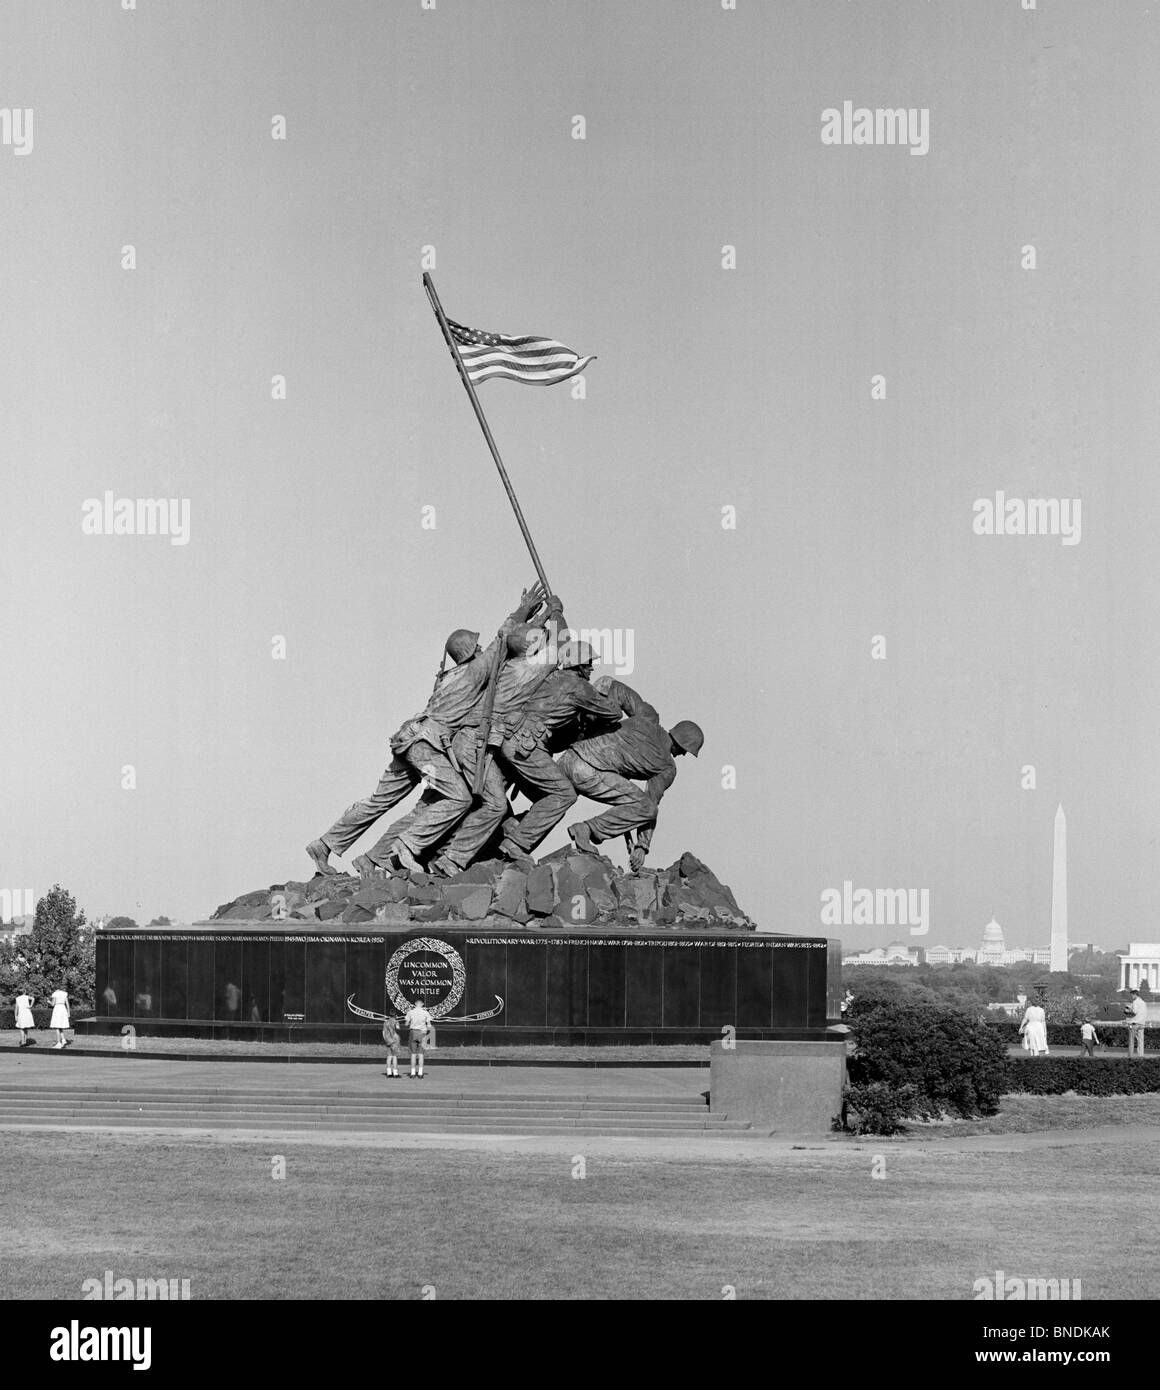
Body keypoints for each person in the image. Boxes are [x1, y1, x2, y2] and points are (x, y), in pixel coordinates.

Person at [363, 586, 552, 875]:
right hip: (463, 746)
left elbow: (504, 645)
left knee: (431, 807)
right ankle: (444, 858)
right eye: (475, 647)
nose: (480, 649)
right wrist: (535, 612)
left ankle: (378, 856)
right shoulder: (483, 672)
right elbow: (502, 643)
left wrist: (533, 620)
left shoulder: (451, 676)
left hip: (448, 746)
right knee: (485, 804)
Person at [490, 638, 621, 863]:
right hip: (527, 744)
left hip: (511, 738)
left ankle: (513, 824)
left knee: (544, 794)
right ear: (578, 664)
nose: (591, 668)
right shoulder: (578, 686)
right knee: (564, 794)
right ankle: (516, 842)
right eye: (588, 663)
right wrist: (609, 694)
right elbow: (613, 713)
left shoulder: (551, 677)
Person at [559, 677, 703, 871]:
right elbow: (649, 806)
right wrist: (642, 846)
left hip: (570, 756)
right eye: (686, 750)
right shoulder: (667, 767)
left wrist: (592, 719)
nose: (684, 754)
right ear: (682, 746)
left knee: (550, 802)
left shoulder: (647, 717)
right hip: (587, 772)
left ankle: (514, 833)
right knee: (647, 808)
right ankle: (586, 829)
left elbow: (612, 686)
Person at [403, 999, 435, 1078]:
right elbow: (429, 1025)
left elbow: (406, 1024)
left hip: (413, 1032)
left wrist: (409, 1022)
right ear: (422, 1004)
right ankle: (420, 1073)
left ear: (415, 1003)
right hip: (422, 1033)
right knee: (421, 1054)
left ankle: (413, 1073)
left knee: (413, 1054)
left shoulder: (410, 1012)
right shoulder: (425, 1013)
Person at [1126, 988, 1147, 1056]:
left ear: (1135, 995)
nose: (1131, 997)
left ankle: (1130, 1056)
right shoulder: (1143, 1002)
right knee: (1140, 1041)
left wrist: (1128, 1010)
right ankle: (1140, 1055)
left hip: (1134, 1023)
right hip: (1142, 1023)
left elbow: (1134, 1012)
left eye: (1132, 995)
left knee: (1131, 1041)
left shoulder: (1135, 1002)